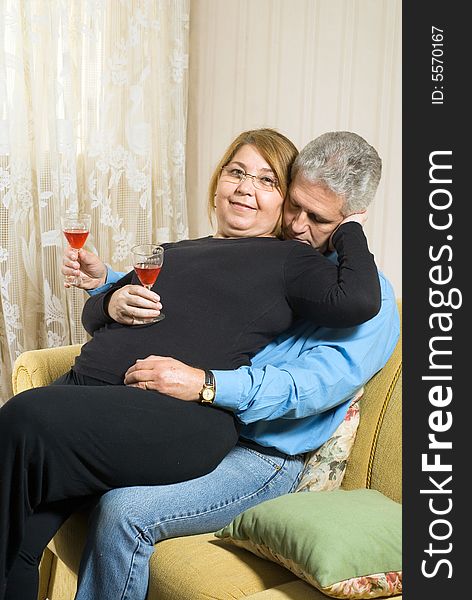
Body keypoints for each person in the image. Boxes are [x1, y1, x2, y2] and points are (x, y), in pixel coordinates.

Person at [0, 129, 383, 600]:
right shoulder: (203, 251)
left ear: (348, 218)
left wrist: (205, 385)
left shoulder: (318, 275)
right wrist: (110, 294)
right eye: (295, 208)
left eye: (318, 217)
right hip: (166, 406)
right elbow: (174, 312)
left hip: (257, 448)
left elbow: (307, 385)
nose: (300, 224)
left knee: (102, 492)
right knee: (22, 529)